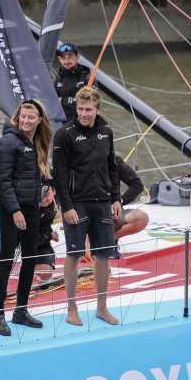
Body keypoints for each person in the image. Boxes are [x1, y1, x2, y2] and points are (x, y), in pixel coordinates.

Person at [52, 86, 121, 327]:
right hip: (76, 204)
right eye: (80, 109)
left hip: (102, 202)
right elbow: (58, 176)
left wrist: (116, 198)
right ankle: (72, 308)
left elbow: (112, 167)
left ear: (97, 109)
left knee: (103, 256)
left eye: (88, 109)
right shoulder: (64, 134)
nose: (83, 113)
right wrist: (66, 206)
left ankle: (102, 308)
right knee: (74, 255)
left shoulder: (106, 132)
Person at [0, 99, 55, 337]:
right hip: (12, 211)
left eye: (31, 117)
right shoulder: (8, 142)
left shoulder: (35, 142)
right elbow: (3, 181)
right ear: (17, 118)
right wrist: (15, 210)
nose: (27, 120)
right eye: (23, 116)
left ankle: (20, 310)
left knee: (30, 259)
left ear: (39, 119)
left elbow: (34, 176)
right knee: (6, 261)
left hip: (32, 209)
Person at [54, 43, 90, 122]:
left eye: (70, 57)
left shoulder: (87, 77)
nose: (66, 61)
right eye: (63, 58)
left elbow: (86, 102)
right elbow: (52, 101)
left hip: (81, 124)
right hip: (61, 124)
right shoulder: (59, 77)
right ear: (59, 59)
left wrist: (61, 100)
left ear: (77, 57)